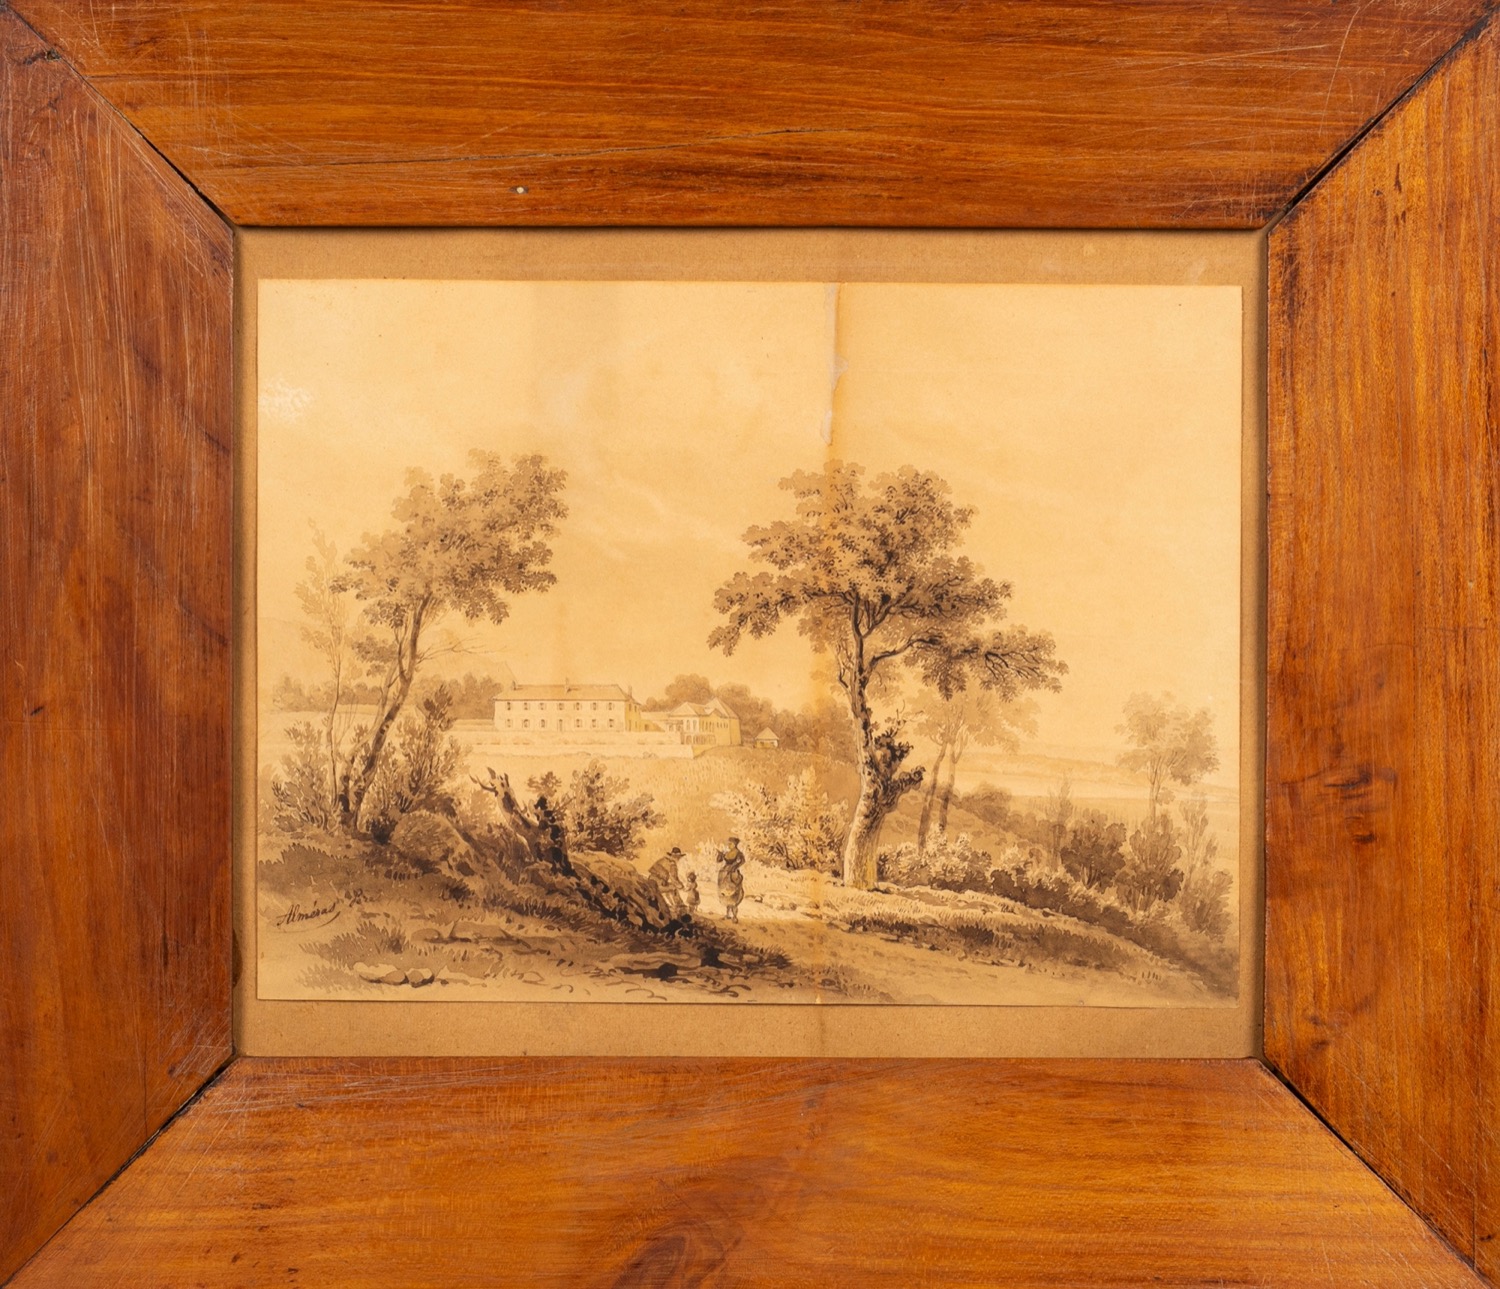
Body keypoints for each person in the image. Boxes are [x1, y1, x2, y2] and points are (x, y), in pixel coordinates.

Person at [648, 846, 686, 916]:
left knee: (670, 887)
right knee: (674, 888)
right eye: (678, 857)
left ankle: (672, 905)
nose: (678, 859)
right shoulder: (672, 864)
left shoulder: (663, 860)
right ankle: (679, 906)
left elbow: (653, 870)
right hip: (657, 885)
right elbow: (674, 878)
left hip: (651, 881)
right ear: (675, 857)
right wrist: (681, 886)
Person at [716, 835, 745, 922]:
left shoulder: (738, 853)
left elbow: (742, 861)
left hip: (733, 872)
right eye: (728, 844)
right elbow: (719, 861)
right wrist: (720, 855)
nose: (729, 845)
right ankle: (728, 914)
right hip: (725, 871)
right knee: (725, 892)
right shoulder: (727, 853)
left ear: (735, 844)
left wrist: (734, 866)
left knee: (733, 892)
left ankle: (734, 916)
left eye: (730, 844)